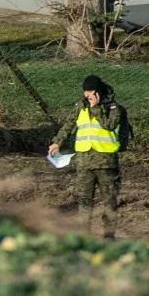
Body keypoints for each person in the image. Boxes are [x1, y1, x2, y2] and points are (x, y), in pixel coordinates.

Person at [49, 75, 128, 239]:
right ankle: (84, 236)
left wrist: (96, 108)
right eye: (86, 91)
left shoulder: (114, 108)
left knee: (109, 201)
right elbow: (68, 125)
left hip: (106, 163)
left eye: (91, 91)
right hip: (84, 163)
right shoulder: (80, 107)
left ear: (99, 91)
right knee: (84, 201)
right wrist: (57, 142)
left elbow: (110, 125)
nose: (88, 94)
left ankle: (109, 236)